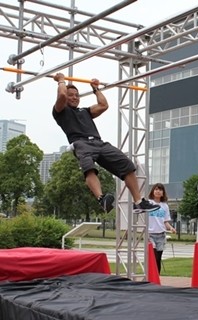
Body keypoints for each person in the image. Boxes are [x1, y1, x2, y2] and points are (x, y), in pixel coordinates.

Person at [52, 73, 159, 214]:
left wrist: (95, 89)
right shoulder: (60, 111)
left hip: (99, 143)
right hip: (81, 143)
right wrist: (61, 81)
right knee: (89, 168)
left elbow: (103, 105)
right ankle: (101, 199)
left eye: (77, 95)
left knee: (127, 165)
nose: (74, 97)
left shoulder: (85, 111)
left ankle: (138, 203)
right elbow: (62, 97)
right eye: (71, 95)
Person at [148, 183, 176, 274]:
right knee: (153, 256)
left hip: (161, 235)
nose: (158, 191)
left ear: (163, 193)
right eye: (156, 189)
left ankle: (157, 277)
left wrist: (171, 228)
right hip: (150, 234)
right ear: (153, 191)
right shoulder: (149, 203)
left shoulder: (165, 206)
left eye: (160, 190)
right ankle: (151, 275)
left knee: (158, 258)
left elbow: (165, 221)